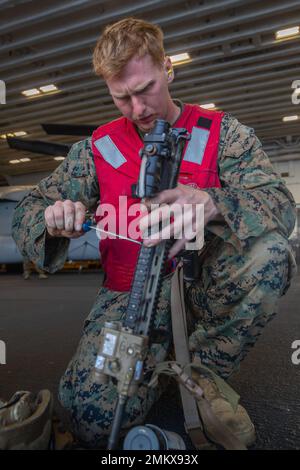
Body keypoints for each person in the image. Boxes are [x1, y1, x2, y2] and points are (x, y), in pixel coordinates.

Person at [12, 18, 297, 449]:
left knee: (270, 252)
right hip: (129, 295)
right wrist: (53, 218)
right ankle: (158, 364)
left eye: (145, 88)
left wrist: (215, 202)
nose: (138, 108)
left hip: (202, 289)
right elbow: (27, 214)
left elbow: (279, 203)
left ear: (168, 68)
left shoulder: (223, 135)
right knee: (91, 420)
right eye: (121, 97)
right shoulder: (97, 148)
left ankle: (204, 370)